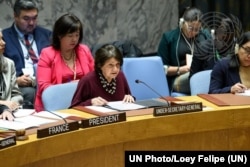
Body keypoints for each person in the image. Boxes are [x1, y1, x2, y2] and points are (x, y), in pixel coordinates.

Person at [35, 13, 94, 111]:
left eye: (77, 35)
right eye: (70, 35)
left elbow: (95, 78)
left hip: (84, 103)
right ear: (59, 35)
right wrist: (71, 88)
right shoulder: (47, 54)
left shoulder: (84, 50)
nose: (74, 39)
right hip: (56, 105)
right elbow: (45, 88)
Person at [3, 0, 52, 108]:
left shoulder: (47, 35)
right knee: (30, 93)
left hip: (46, 80)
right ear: (15, 16)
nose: (31, 23)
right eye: (26, 19)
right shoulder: (4, 38)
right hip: (22, 84)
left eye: (34, 18)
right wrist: (15, 81)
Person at [157, 7, 210, 95]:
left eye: (197, 29)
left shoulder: (205, 36)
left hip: (201, 73)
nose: (193, 32)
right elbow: (161, 68)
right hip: (179, 77)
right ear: (182, 23)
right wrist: (180, 69)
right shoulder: (169, 38)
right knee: (198, 79)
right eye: (190, 28)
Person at [70, 44, 134, 107]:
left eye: (117, 65)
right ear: (100, 65)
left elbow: (129, 97)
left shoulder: (120, 75)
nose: (115, 69)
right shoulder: (87, 81)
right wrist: (90, 102)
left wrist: (130, 98)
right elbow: (73, 107)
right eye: (110, 65)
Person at [0, 28, 23, 121]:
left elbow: (17, 95)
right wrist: (3, 104)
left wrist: (8, 108)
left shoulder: (9, 64)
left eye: (2, 38)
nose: (3, 43)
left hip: (8, 114)